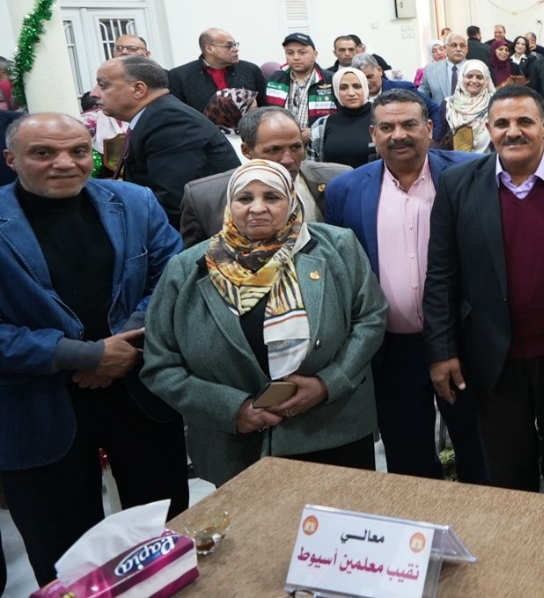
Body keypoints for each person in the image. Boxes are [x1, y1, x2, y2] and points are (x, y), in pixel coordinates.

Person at [0, 113, 190, 587]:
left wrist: (125, 345)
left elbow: (174, 280)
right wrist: (82, 355)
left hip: (138, 395)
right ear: (11, 159)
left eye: (78, 151)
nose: (65, 163)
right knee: (64, 560)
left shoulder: (135, 202)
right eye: (43, 153)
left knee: (164, 537)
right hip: (37, 407)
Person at [141, 159, 387, 485]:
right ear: (230, 204)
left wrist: (328, 383)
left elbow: (370, 317)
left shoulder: (337, 247)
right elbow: (160, 364)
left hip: (333, 430)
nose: (258, 208)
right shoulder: (187, 269)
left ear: (292, 200)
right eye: (245, 198)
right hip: (236, 445)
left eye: (272, 197)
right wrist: (232, 409)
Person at [423, 86, 544, 496]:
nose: (513, 131)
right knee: (507, 472)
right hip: (493, 357)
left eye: (524, 122)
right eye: (502, 123)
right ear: (488, 128)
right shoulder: (458, 184)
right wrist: (442, 351)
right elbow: (442, 273)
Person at [322, 91, 488, 486]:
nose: (399, 135)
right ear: (373, 134)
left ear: (429, 128)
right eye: (387, 127)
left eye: (409, 124)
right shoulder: (345, 190)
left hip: (462, 340)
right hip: (389, 348)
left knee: (479, 448)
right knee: (407, 457)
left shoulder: (471, 172)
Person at [94, 56, 239, 227]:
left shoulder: (169, 121)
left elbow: (173, 203)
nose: (94, 93)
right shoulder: (156, 115)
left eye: (103, 86)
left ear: (138, 89)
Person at [179, 107, 349, 247]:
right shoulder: (204, 198)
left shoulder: (338, 179)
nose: (288, 159)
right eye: (274, 150)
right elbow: (194, 266)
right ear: (246, 150)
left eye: (296, 147)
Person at [166, 28, 267, 130]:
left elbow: (265, 107)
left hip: (249, 132)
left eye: (235, 44)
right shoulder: (180, 76)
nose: (236, 49)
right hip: (205, 135)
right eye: (229, 46)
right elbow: (179, 117)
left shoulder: (250, 70)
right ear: (209, 49)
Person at [309, 67, 376, 169]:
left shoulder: (381, 120)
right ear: (336, 91)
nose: (351, 93)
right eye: (343, 88)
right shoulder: (321, 125)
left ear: (365, 87)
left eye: (357, 86)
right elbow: (312, 169)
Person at [264, 33, 335, 128]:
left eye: (302, 52)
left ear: (315, 54)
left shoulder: (332, 80)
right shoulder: (275, 80)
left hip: (320, 136)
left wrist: (314, 132)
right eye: (290, 53)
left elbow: (342, 118)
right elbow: (265, 114)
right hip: (282, 136)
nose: (296, 57)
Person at [441, 59, 493, 152]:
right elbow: (439, 137)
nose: (474, 81)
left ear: (486, 80)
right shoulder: (448, 104)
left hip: (488, 158)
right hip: (454, 159)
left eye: (479, 77)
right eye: (469, 76)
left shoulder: (493, 103)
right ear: (461, 78)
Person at [419, 33, 470, 103]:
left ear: (467, 49)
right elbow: (422, 96)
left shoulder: (476, 68)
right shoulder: (431, 70)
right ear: (445, 48)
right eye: (454, 45)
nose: (458, 49)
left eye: (462, 46)